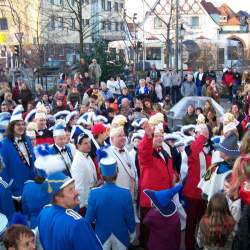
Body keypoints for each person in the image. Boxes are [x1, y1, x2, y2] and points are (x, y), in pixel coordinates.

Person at [138, 116, 177, 247]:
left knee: (160, 233)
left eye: (161, 135)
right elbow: (144, 151)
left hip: (163, 199)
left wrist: (174, 176)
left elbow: (169, 169)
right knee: (148, 234)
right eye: (156, 136)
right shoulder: (147, 153)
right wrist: (148, 137)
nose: (159, 138)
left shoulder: (164, 152)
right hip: (151, 201)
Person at [38, 172, 103, 250]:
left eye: (74, 188)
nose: (77, 192)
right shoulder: (78, 224)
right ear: (57, 197)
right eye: (71, 190)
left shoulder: (43, 213)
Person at [86, 154, 136, 250]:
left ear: (101, 173)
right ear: (117, 172)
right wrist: (132, 231)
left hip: (101, 236)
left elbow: (89, 218)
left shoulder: (94, 193)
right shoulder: (125, 192)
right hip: (121, 234)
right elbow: (129, 216)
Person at [183, 123, 211, 250]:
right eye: (197, 133)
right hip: (193, 192)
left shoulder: (209, 148)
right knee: (191, 222)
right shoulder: (190, 147)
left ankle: (200, 242)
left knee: (203, 220)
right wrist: (202, 136)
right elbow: (194, 151)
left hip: (205, 192)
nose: (199, 135)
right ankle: (189, 245)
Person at [0, 106, 36, 204]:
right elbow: (2, 168)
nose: (21, 127)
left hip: (30, 185)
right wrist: (10, 185)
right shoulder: (4, 143)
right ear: (11, 127)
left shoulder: (28, 139)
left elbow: (33, 160)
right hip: (15, 189)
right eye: (18, 125)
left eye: (23, 124)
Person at [143, 184, 182, 250]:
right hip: (171, 246)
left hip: (155, 245)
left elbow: (145, 221)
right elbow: (177, 234)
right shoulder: (176, 217)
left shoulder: (152, 216)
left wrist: (153, 208)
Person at [71, 133, 98, 215]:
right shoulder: (78, 162)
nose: (89, 145)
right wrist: (82, 205)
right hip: (85, 203)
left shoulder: (87, 156)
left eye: (89, 142)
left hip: (91, 198)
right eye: (85, 143)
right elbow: (79, 186)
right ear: (78, 145)